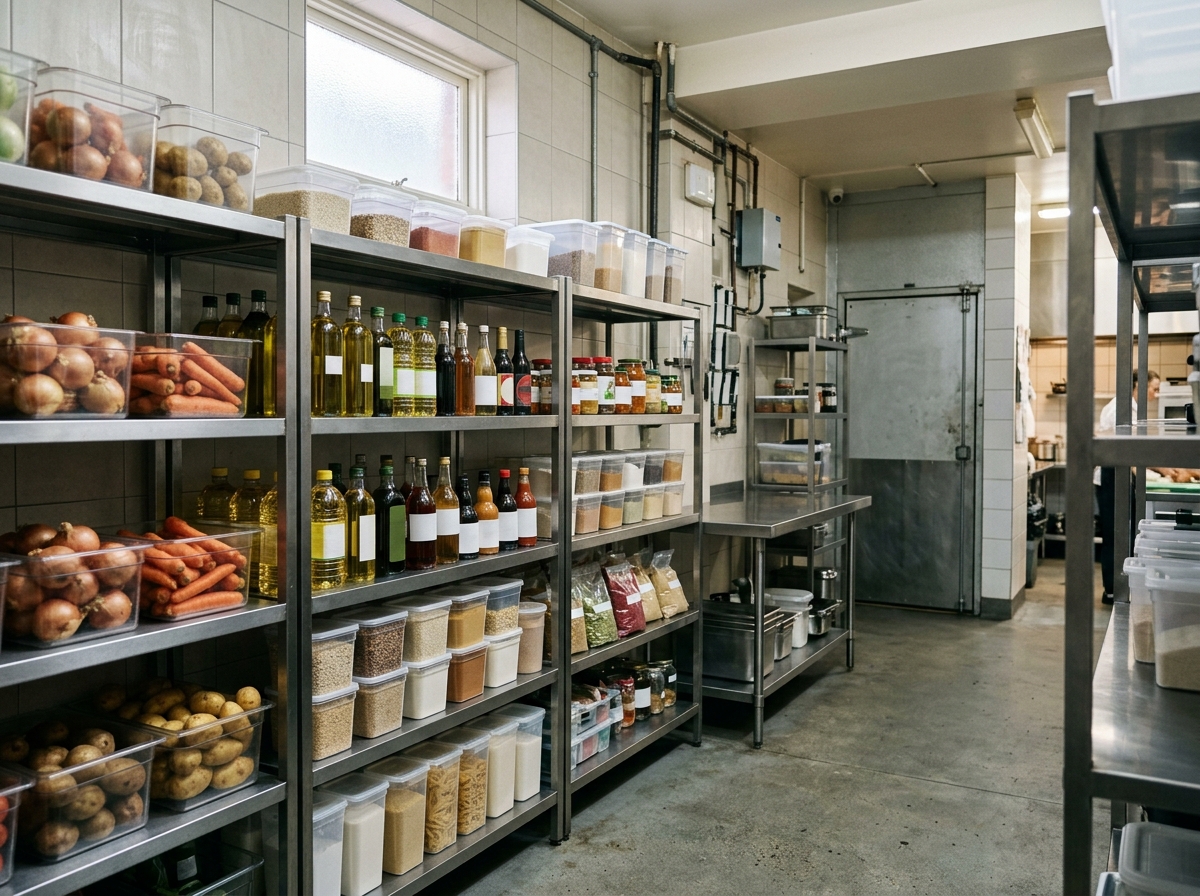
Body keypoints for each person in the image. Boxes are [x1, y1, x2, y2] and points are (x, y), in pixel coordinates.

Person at [1095, 369, 1160, 603]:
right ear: (1139, 386)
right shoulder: (1119, 409)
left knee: (1124, 534)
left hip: (1121, 474)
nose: (1156, 394)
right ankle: (1112, 590)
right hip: (1111, 474)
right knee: (1115, 535)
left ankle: (1122, 586)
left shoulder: (1133, 409)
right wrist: (1158, 470)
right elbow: (1123, 452)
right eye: (1154, 388)